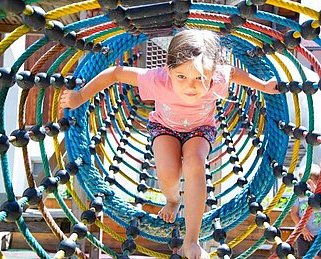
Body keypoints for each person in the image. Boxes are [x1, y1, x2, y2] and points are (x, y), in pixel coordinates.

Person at [60, 29, 279, 259]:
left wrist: (263, 86)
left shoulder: (218, 78)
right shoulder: (157, 79)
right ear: (169, 69)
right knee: (167, 173)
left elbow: (232, 72)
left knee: (195, 162)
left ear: (212, 73)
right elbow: (115, 74)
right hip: (164, 127)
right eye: (181, 77)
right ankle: (173, 199)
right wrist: (81, 96)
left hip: (200, 129)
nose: (191, 86)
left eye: (200, 78)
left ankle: (191, 241)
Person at [290, 164, 321, 259]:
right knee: (304, 256)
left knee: (317, 257)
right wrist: (303, 229)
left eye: (308, 182)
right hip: (302, 232)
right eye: (302, 181)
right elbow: (293, 214)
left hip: (317, 233)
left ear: (317, 182)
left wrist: (315, 191)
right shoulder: (299, 197)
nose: (304, 185)